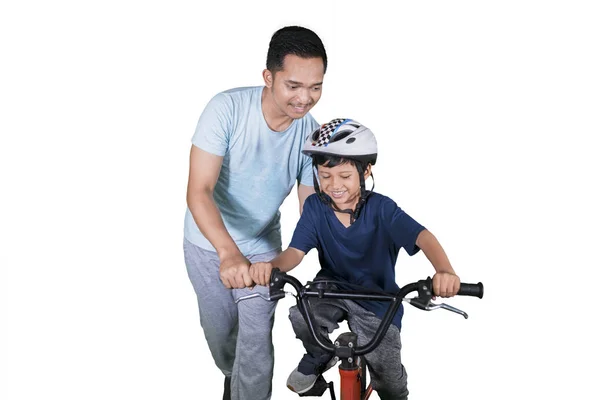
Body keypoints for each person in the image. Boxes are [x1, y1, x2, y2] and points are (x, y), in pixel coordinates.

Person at [249, 118, 461, 399]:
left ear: (366, 171)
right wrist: (270, 267)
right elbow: (294, 253)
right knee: (301, 313)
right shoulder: (315, 207)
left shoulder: (382, 209)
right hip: (331, 288)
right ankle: (319, 355)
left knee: (389, 380)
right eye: (325, 176)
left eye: (345, 176)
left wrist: (444, 271)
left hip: (378, 300)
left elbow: (423, 236)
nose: (334, 185)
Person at [183, 26, 327, 400]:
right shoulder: (226, 109)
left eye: (316, 87)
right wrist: (229, 253)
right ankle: (233, 376)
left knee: (256, 337)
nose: (305, 98)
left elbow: (310, 204)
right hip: (207, 243)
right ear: (269, 77)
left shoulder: (310, 135)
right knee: (221, 337)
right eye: (293, 85)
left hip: (263, 245)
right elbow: (198, 191)